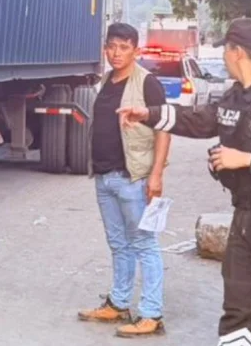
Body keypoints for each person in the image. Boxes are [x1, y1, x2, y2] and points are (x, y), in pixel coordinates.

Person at [118, 18, 251, 346]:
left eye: (226, 50)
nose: (224, 58)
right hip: (246, 218)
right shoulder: (236, 96)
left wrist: (246, 160)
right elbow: (200, 120)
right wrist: (146, 114)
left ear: (237, 53)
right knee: (237, 314)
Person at [78, 22, 171, 338]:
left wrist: (156, 175)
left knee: (144, 243)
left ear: (136, 50)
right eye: (111, 46)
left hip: (134, 179)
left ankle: (152, 313)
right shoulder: (106, 81)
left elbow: (163, 129)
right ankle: (118, 304)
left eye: (124, 47)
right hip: (105, 178)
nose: (116, 53)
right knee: (118, 244)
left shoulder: (147, 83)